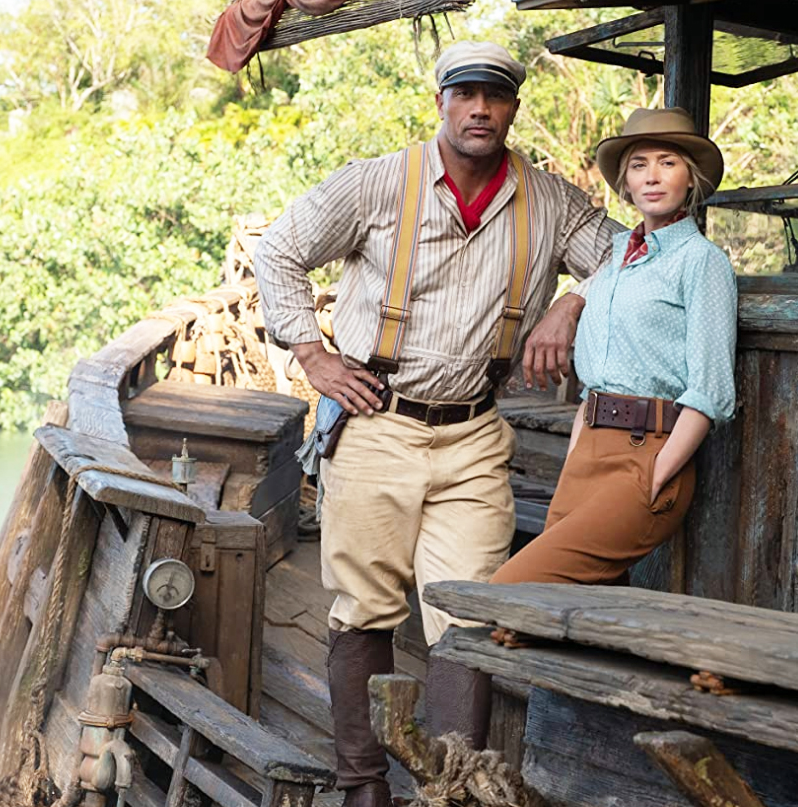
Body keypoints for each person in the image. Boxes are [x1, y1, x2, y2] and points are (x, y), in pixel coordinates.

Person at [253, 41, 622, 807]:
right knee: (365, 606)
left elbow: (630, 254)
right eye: (467, 94)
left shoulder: (549, 200)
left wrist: (573, 299)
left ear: (514, 109)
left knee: (469, 609)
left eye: (496, 96)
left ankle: (448, 788)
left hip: (474, 431)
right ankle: (362, 784)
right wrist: (310, 356)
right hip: (376, 417)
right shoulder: (381, 181)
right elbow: (281, 251)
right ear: (442, 102)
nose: (481, 109)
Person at [491, 107, 737, 590]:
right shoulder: (616, 259)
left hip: (650, 455)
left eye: (668, 162)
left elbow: (710, 389)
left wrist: (658, 473)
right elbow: (595, 374)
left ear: (691, 178)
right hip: (587, 454)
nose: (652, 176)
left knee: (513, 591)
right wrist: (579, 451)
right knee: (582, 613)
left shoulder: (701, 262)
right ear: (625, 182)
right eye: (639, 164)